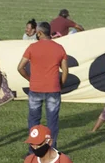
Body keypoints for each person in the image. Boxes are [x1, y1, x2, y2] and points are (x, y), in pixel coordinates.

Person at [18, 22, 68, 150]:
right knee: (52, 122)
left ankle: (33, 150)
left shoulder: (32, 47)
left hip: (35, 88)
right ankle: (52, 149)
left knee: (34, 121)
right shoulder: (59, 48)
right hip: (53, 88)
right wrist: (60, 83)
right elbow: (65, 71)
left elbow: (20, 67)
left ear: (39, 33)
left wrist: (30, 79)